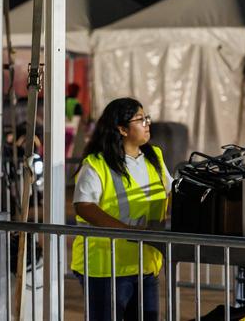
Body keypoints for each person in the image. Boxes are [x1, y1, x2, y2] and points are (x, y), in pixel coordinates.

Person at [71, 97, 171, 321]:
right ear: (122, 129)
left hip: (145, 263)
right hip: (106, 268)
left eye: (147, 118)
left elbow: (171, 192)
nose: (147, 123)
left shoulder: (154, 157)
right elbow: (84, 206)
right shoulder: (97, 164)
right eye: (140, 119)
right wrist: (127, 231)